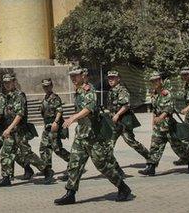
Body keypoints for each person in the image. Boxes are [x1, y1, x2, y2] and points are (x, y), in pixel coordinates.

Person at [54, 67, 131, 205]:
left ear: (84, 76)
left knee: (102, 165)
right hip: (81, 135)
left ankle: (123, 188)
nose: (73, 78)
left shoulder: (90, 90)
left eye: (76, 75)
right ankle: (70, 193)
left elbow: (89, 108)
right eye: (71, 76)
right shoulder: (78, 91)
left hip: (93, 136)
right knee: (74, 164)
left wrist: (73, 118)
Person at [0, 73, 51, 187]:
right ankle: (6, 177)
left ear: (14, 82)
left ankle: (46, 170)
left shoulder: (19, 95)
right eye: (5, 83)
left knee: (27, 154)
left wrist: (9, 128)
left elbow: (20, 115)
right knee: (6, 153)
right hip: (10, 131)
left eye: (9, 82)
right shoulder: (7, 96)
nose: (7, 84)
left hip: (19, 130)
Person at [138, 72, 189, 176]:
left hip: (168, 125)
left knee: (178, 147)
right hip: (158, 126)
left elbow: (169, 108)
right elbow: (155, 110)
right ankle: (151, 167)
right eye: (152, 81)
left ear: (160, 81)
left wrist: (160, 117)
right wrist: (153, 122)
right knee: (155, 146)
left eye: (156, 80)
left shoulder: (167, 93)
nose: (154, 82)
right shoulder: (154, 94)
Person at [104, 71, 150, 162]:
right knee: (109, 143)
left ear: (118, 79)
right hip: (114, 123)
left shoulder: (122, 90)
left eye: (113, 77)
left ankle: (149, 157)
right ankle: (111, 166)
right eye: (109, 78)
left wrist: (117, 114)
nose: (110, 79)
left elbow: (126, 105)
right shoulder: (111, 91)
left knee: (131, 142)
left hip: (123, 122)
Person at [37, 78, 71, 172]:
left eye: (48, 86)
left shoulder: (55, 97)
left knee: (57, 149)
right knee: (44, 148)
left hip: (54, 126)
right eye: (44, 86)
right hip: (47, 126)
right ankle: (46, 169)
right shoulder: (45, 98)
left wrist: (56, 122)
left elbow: (59, 110)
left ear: (51, 86)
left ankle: (72, 160)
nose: (46, 88)